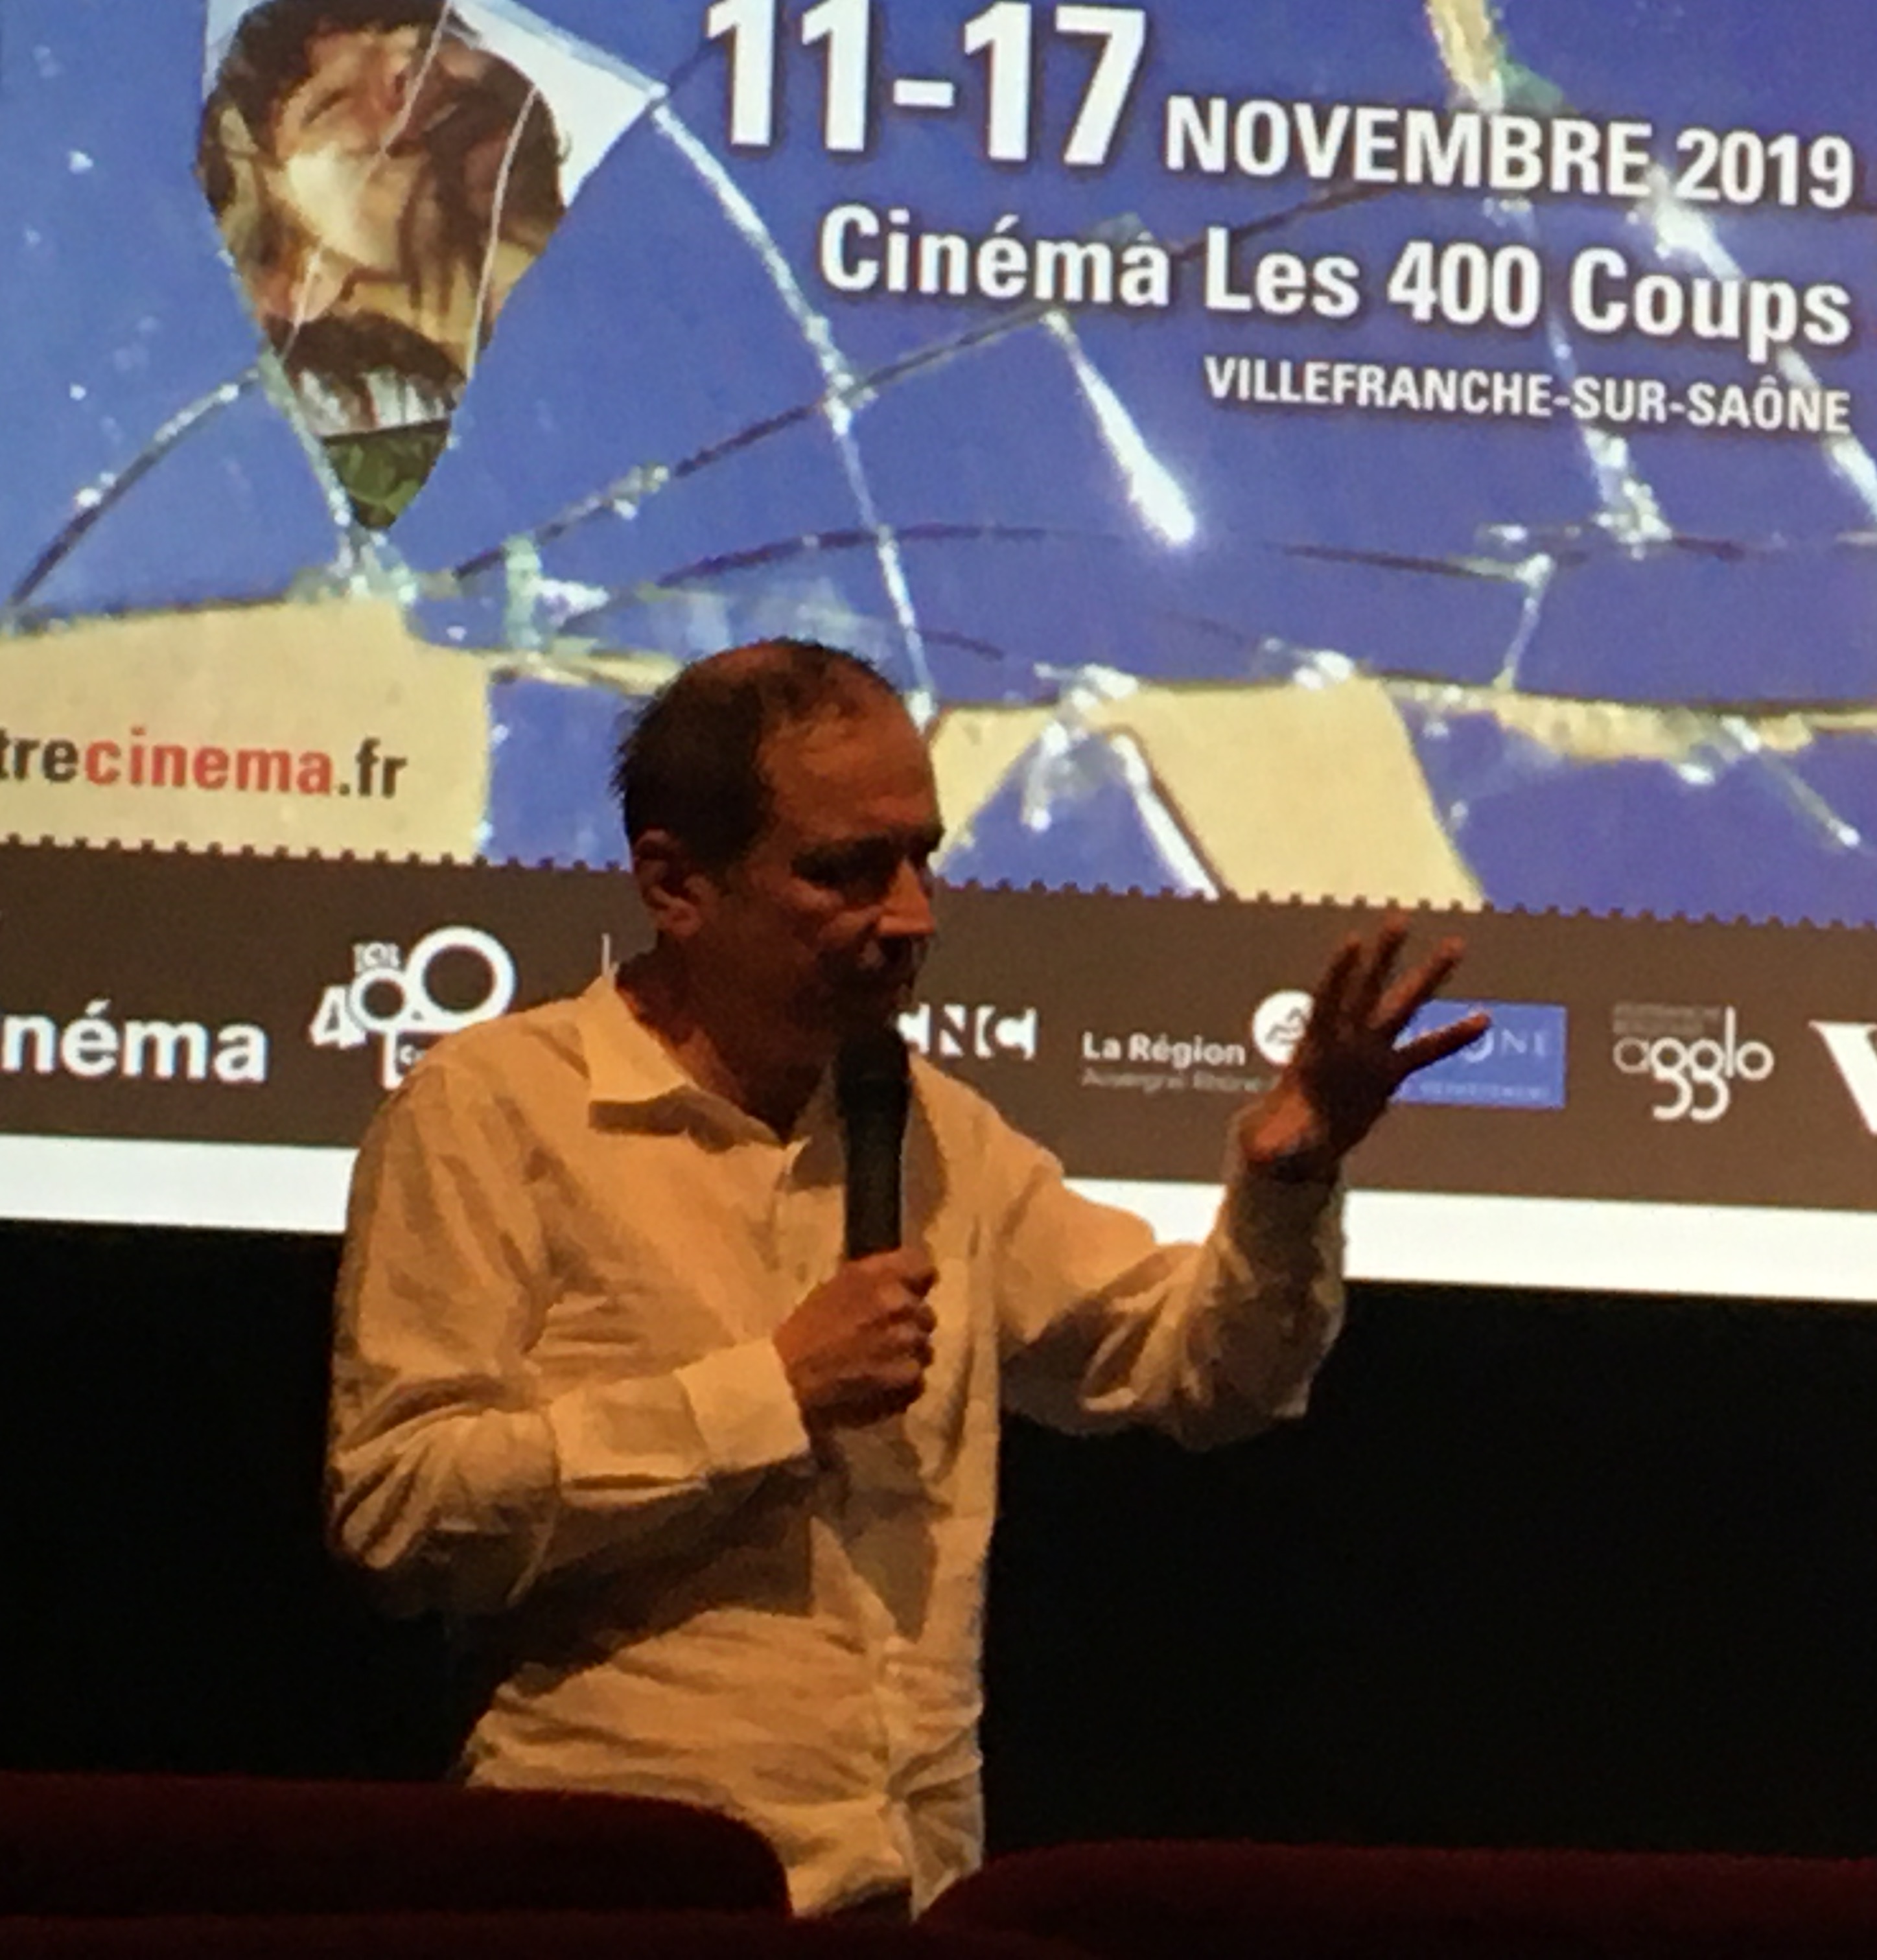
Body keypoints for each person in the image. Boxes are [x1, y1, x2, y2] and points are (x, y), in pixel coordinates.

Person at [326, 639, 1486, 1915]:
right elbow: (400, 1510)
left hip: (912, 1894)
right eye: (846, 870)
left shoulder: (938, 1130)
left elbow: (1205, 1378)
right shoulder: (498, 1110)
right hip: (618, 1893)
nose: (911, 916)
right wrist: (767, 1393)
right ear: (675, 882)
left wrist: (1287, 1175)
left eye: (922, 858)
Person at [198, 0, 566, 519]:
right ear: (295, 282)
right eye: (330, 103)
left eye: (425, 31)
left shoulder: (682, 261)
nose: (408, 58)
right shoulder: (395, 520)